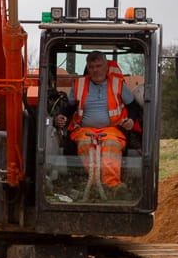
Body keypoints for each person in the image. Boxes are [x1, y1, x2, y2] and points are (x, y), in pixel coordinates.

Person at [52, 51, 142, 190]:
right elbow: (68, 108)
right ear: (88, 69)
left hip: (112, 129)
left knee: (110, 144)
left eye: (99, 66)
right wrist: (60, 116)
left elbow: (133, 107)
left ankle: (112, 185)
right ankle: (95, 185)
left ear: (106, 67)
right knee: (87, 144)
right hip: (84, 130)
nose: (95, 70)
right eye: (92, 67)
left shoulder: (118, 84)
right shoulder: (79, 84)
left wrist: (131, 119)